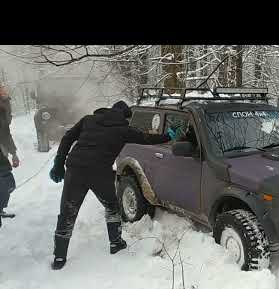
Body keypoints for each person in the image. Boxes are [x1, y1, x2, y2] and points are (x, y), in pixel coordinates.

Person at [48, 100, 177, 270]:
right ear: (124, 116)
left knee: (68, 211)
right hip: (100, 173)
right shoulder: (123, 129)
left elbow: (67, 137)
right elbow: (147, 139)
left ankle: (59, 257)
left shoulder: (88, 120)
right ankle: (116, 242)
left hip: (75, 170)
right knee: (111, 206)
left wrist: (59, 162)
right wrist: (169, 135)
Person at [0, 85, 19, 228]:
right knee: (6, 181)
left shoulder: (3, 113)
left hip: (2, 149)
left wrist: (14, 153)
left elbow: (6, 134)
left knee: (8, 183)